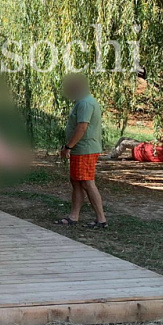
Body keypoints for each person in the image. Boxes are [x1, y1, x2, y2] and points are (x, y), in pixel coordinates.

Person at [56, 73, 107, 229]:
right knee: (76, 181)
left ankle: (101, 219)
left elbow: (82, 127)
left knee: (86, 181)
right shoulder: (83, 101)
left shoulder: (85, 103)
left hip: (85, 149)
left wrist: (68, 146)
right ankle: (74, 216)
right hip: (81, 149)